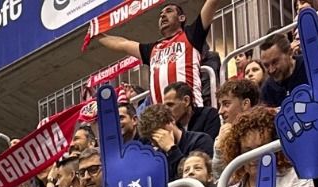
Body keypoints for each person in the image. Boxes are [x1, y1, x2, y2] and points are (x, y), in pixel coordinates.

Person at [87, 0, 227, 107]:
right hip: (162, 121)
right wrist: (96, 36)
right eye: (161, 14)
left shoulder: (192, 35)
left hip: (191, 111)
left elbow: (211, 4)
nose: (163, 15)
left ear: (182, 18)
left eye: (169, 11)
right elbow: (122, 44)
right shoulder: (152, 49)